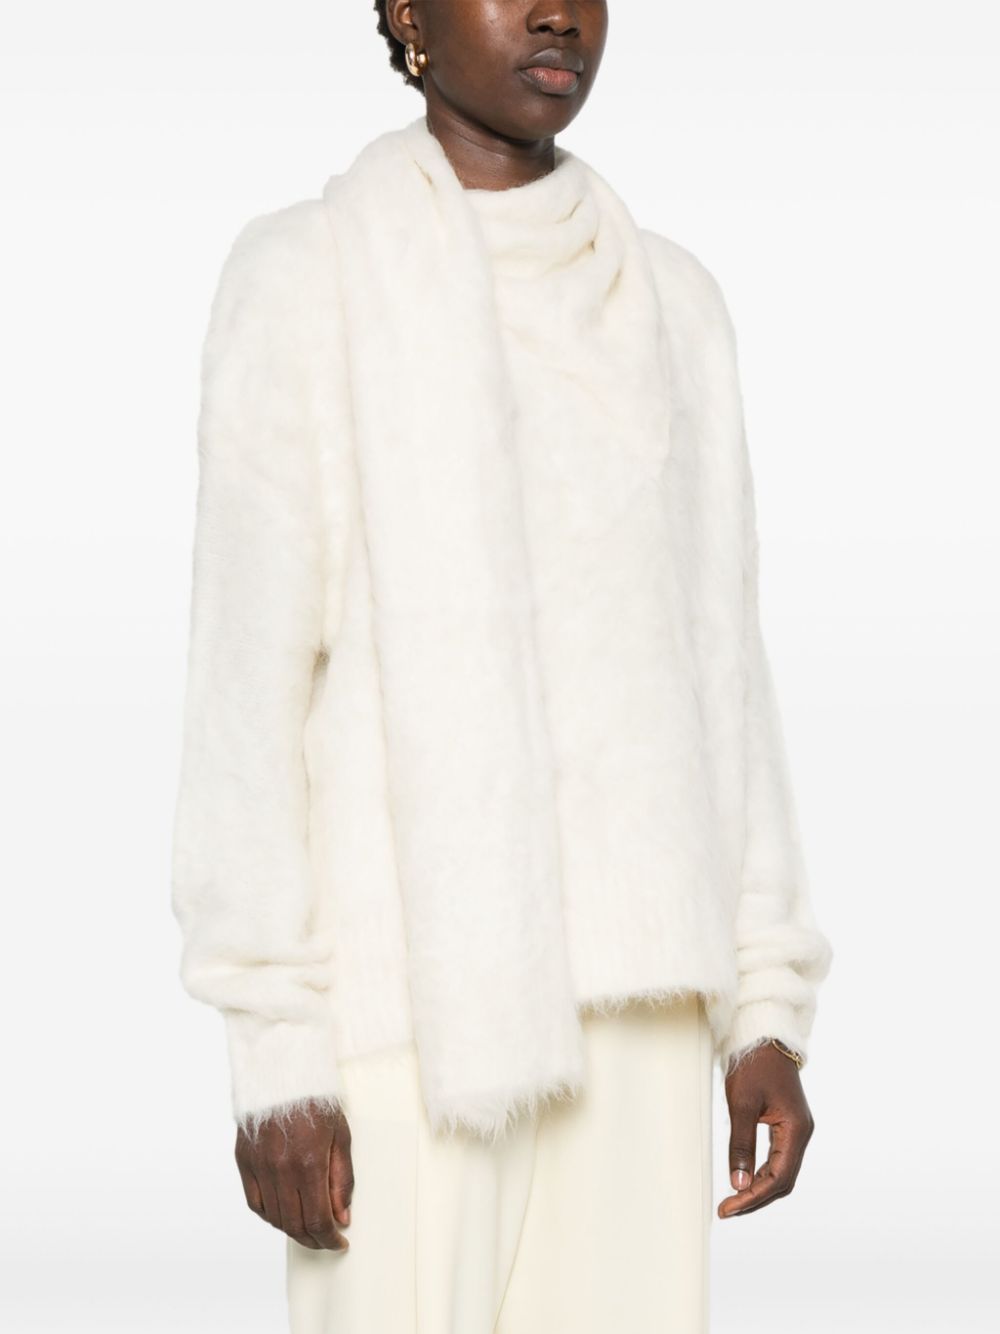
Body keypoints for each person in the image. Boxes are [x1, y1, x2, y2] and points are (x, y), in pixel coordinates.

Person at [171, 2, 833, 1330]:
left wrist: (766, 1003)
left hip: (647, 1014)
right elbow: (244, 697)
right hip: (406, 1023)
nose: (556, 14)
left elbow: (724, 673)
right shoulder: (308, 280)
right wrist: (275, 1050)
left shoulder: (674, 304)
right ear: (405, 13)